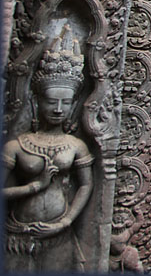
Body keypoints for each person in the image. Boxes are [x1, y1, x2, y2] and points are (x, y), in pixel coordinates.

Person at [3, 25, 94, 272]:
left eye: (65, 103)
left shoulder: (76, 145)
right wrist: (34, 186)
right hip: (17, 233)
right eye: (52, 101)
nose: (58, 109)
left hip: (58, 233)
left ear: (74, 103)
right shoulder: (17, 145)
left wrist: (65, 222)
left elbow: (86, 185)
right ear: (37, 99)